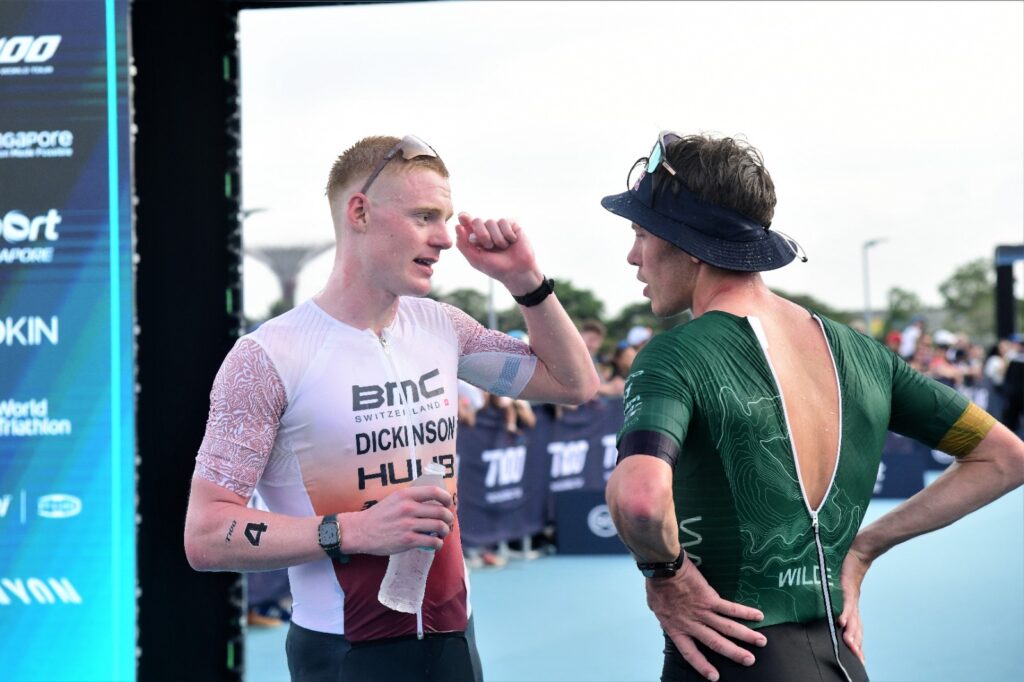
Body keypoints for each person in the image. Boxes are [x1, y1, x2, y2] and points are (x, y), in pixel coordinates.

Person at [600, 131, 1024, 682]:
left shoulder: (676, 356)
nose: (633, 256)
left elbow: (639, 500)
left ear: (688, 240)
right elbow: (1005, 456)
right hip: (838, 656)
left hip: (729, 657)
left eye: (641, 234)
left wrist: (667, 578)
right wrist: (863, 549)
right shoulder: (864, 354)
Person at [183, 134, 599, 682]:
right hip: (344, 651)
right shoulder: (267, 356)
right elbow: (206, 533)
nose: (445, 239)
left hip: (454, 641)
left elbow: (574, 384)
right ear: (359, 212)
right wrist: (351, 531)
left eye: (445, 219)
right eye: (425, 216)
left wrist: (525, 282)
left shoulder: (442, 327)